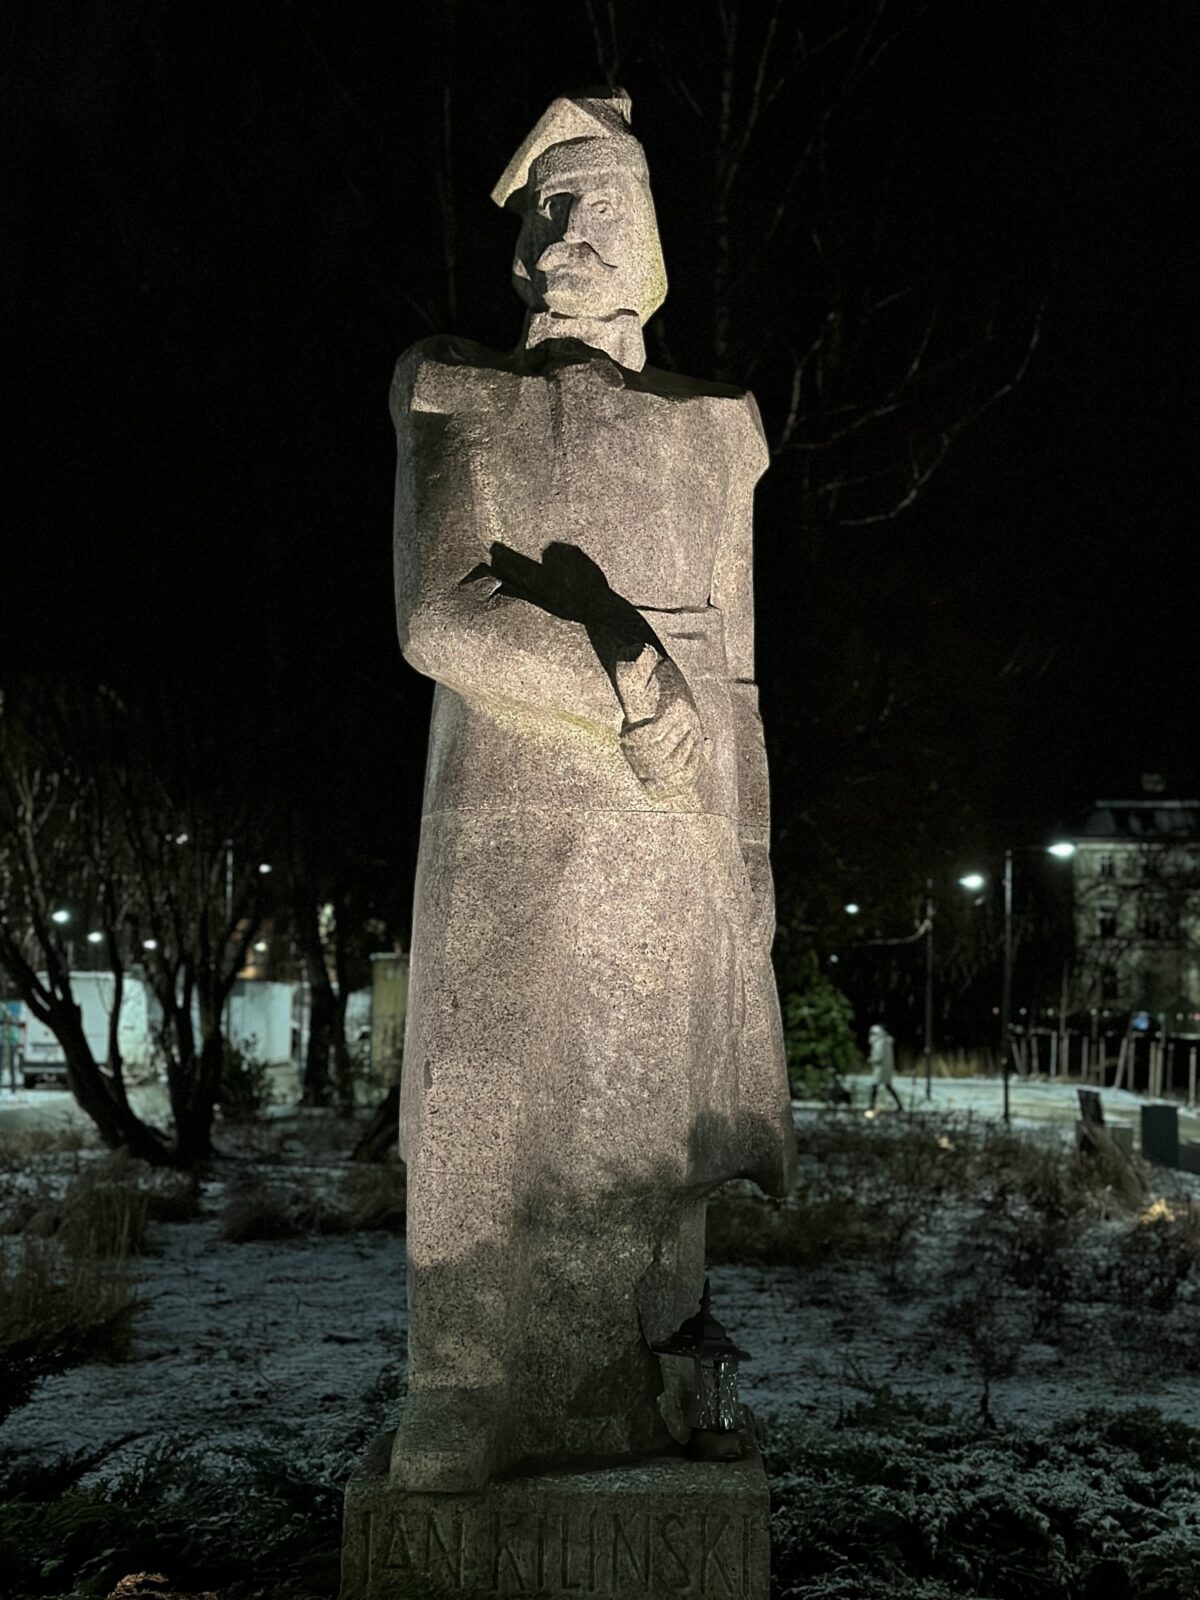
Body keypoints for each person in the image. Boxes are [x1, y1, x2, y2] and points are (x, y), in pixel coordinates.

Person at [388, 89, 796, 1489]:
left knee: (644, 1107)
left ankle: (648, 1375)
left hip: (672, 816)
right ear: (519, 248)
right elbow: (439, 614)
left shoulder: (718, 424)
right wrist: (622, 667)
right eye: (550, 208)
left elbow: (741, 670)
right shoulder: (458, 386)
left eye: (602, 204)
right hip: (510, 792)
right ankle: (463, 1383)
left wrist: (747, 864)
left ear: (653, 236)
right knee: (484, 1083)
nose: (571, 234)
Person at [868, 1022, 903, 1112]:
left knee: (875, 1086)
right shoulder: (886, 1041)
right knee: (887, 1086)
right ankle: (899, 1105)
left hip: (880, 1069)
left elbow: (879, 1056)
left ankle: (871, 1105)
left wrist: (872, 1059)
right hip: (886, 1068)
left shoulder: (880, 1042)